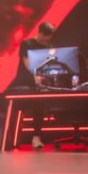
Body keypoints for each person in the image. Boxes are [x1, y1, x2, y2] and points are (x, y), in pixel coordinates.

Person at [10, 21, 57, 149]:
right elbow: (26, 61)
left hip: (40, 83)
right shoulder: (27, 43)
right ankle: (11, 137)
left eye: (49, 38)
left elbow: (50, 63)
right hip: (24, 81)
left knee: (39, 107)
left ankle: (36, 137)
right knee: (18, 107)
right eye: (46, 37)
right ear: (40, 33)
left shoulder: (49, 46)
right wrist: (35, 75)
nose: (47, 40)